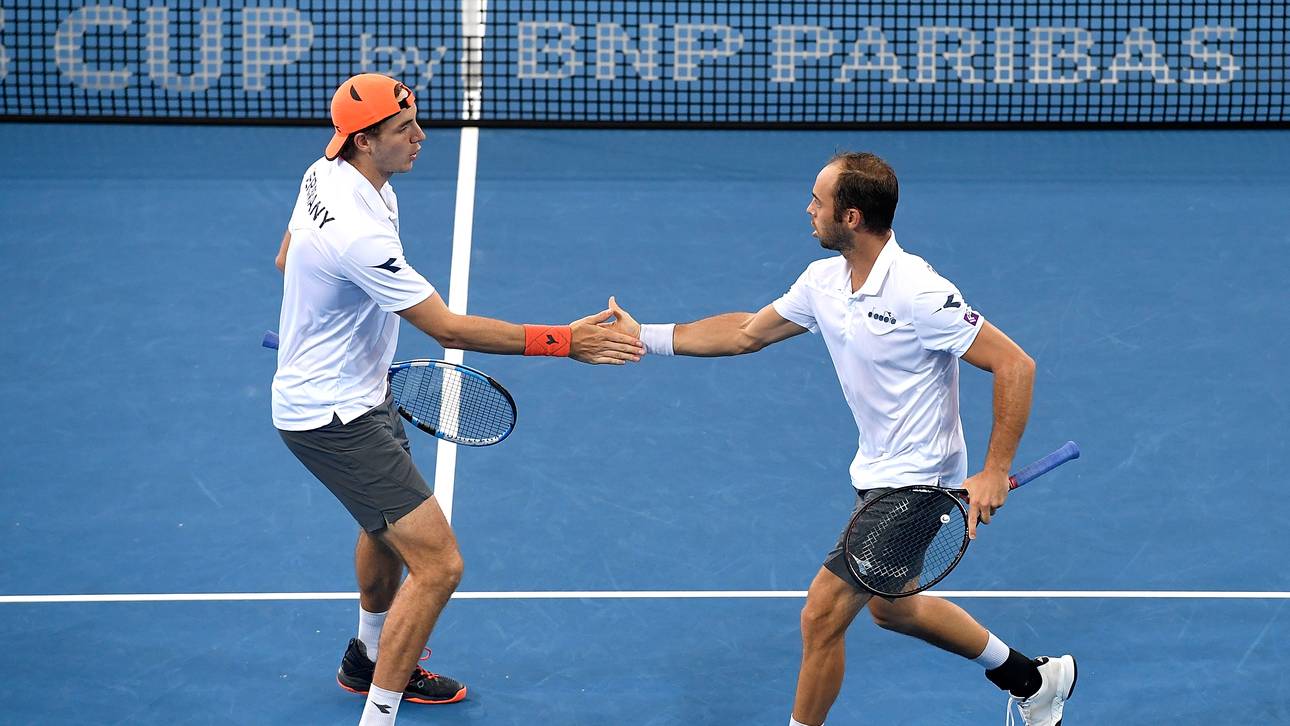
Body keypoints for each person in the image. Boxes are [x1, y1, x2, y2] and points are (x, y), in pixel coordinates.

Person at [606, 152, 1075, 726]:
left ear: (850, 217)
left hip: (918, 483)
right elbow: (746, 333)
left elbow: (1015, 366)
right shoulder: (823, 281)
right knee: (892, 609)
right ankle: (1034, 679)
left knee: (821, 614)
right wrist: (645, 337)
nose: (808, 210)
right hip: (875, 472)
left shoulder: (919, 292)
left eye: (817, 201)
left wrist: (995, 468)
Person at [271, 73, 643, 726]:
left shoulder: (324, 174)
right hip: (334, 416)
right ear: (362, 140)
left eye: (416, 122)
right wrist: (565, 342)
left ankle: (366, 657)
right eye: (403, 131)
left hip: (360, 385)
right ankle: (378, 716)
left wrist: (323, 318)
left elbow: (286, 258)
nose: (421, 137)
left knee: (381, 527)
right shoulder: (359, 230)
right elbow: (445, 328)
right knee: (440, 566)